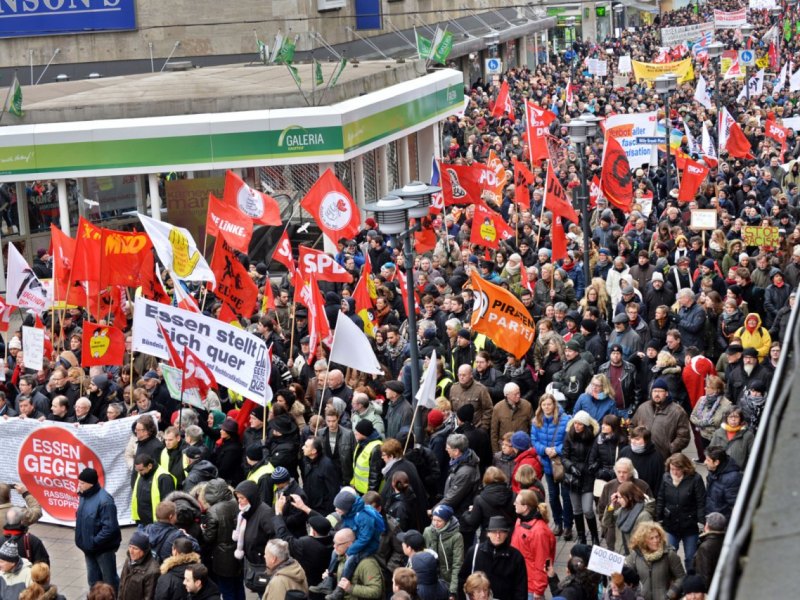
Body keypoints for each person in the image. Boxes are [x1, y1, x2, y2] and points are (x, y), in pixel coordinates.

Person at [530, 393, 572, 539]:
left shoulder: (565, 419)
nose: (546, 407)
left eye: (549, 404)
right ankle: (558, 523)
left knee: (566, 496)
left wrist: (557, 450)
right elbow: (534, 440)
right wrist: (544, 450)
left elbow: (568, 440)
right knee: (553, 496)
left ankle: (568, 525)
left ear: (554, 405)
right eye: (544, 404)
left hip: (561, 463)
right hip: (547, 463)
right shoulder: (536, 421)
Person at [655, 454, 706, 572]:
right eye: (672, 469)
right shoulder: (666, 477)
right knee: (669, 555)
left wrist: (701, 522)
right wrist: (659, 518)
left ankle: (690, 582)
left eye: (677, 469)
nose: (674, 472)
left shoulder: (695, 479)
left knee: (690, 558)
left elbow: (701, 501)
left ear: (685, 468)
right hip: (671, 524)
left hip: (690, 525)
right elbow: (661, 498)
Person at [75, 467, 122, 593]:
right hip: (89, 547)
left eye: (82, 483)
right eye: (79, 482)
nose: (79, 485)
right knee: (93, 580)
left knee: (109, 581)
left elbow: (110, 528)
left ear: (91, 483)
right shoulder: (84, 496)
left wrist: (94, 542)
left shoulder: (105, 501)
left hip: (102, 549)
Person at [458, 516, 527, 600]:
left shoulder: (516, 556)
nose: (498, 536)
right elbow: (462, 579)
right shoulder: (474, 551)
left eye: (501, 532)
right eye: (494, 532)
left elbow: (521, 589)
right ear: (488, 533)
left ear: (506, 534)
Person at [273, 494, 334, 588]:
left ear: (313, 532)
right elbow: (324, 522)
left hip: (310, 584)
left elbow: (285, 537)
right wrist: (303, 507)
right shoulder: (333, 538)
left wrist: (278, 513)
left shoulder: (307, 544)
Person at [199, 478, 243, 600]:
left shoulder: (213, 511)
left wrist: (203, 530)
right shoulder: (237, 503)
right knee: (239, 586)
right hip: (238, 552)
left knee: (227, 590)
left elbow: (209, 538)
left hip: (222, 558)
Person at [561, 411, 601, 545]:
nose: (576, 426)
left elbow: (598, 455)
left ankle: (595, 536)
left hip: (588, 477)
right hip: (573, 477)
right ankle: (581, 537)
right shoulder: (569, 436)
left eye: (580, 424)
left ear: (586, 425)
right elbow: (564, 456)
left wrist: (595, 465)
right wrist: (571, 467)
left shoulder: (593, 437)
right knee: (576, 509)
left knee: (588, 509)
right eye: (575, 423)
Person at [630, 378, 691, 461]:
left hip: (665, 458)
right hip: (642, 455)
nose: (657, 394)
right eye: (654, 391)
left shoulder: (678, 411)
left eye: (660, 391)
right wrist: (634, 442)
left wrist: (670, 448)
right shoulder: (643, 407)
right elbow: (632, 426)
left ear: (666, 393)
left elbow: (684, 436)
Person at [232, 480, 275, 596]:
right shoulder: (246, 511)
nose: (239, 501)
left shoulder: (264, 513)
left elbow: (274, 537)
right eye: (238, 498)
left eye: (242, 498)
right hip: (253, 563)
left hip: (263, 564)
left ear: (251, 497)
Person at [510, 490, 555, 600]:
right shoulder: (520, 521)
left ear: (525, 507)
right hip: (518, 581)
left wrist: (538, 591)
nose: (514, 504)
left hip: (530, 588)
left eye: (517, 503)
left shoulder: (539, 532)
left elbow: (543, 562)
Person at [623, 522, 685, 600]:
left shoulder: (669, 555)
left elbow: (681, 577)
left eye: (657, 537)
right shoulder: (635, 556)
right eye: (651, 538)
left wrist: (670, 595)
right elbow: (626, 576)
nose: (656, 540)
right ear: (643, 540)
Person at [323, 528, 385, 600]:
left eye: (338, 544)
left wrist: (350, 588)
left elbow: (376, 591)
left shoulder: (367, 563)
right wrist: (332, 577)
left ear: (350, 544)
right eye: (334, 543)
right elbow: (345, 579)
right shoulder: (342, 557)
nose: (334, 546)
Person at [461, 467, 514, 541]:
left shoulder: (479, 499)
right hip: (509, 536)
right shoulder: (513, 496)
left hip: (488, 537)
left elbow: (473, 522)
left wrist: (467, 513)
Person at [602, 481, 654, 556]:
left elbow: (647, 542)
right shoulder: (622, 510)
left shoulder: (644, 515)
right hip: (620, 552)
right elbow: (607, 522)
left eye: (620, 497)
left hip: (635, 557)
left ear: (629, 497)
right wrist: (611, 505)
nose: (618, 500)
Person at [423, 504, 463, 600]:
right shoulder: (427, 531)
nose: (435, 523)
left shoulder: (457, 537)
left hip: (448, 581)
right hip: (431, 579)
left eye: (439, 521)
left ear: (447, 521)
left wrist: (453, 591)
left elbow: (457, 564)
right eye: (434, 520)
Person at [689, 376, 732, 463]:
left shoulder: (727, 404)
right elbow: (693, 416)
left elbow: (725, 424)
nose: (705, 388)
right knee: (709, 462)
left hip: (717, 439)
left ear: (716, 390)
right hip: (703, 436)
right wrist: (701, 423)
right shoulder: (702, 400)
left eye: (708, 387)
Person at [440, 433, 481, 520]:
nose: (446, 450)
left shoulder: (465, 472)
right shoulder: (459, 461)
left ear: (456, 451)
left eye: (448, 448)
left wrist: (435, 510)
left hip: (460, 516)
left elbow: (453, 497)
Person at [132, 453, 177, 528]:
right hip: (143, 522)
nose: (139, 473)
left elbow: (168, 504)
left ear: (149, 466)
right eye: (137, 470)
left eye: (141, 470)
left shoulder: (164, 478)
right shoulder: (142, 474)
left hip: (157, 525)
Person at [490, 382, 533, 453]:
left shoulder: (527, 406)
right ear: (507, 395)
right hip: (505, 448)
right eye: (515, 394)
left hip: (522, 448)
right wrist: (496, 452)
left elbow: (532, 427)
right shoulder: (498, 408)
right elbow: (494, 432)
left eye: (519, 393)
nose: (518, 396)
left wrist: (530, 446)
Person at [118, 531, 161, 600]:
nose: (131, 551)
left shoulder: (153, 571)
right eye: (130, 547)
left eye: (135, 548)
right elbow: (121, 584)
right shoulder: (129, 559)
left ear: (144, 551)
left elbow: (149, 597)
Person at [704, 446, 743, 520]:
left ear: (716, 462)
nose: (705, 462)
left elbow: (735, 505)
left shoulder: (733, 479)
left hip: (722, 523)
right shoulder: (713, 470)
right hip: (712, 518)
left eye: (708, 460)